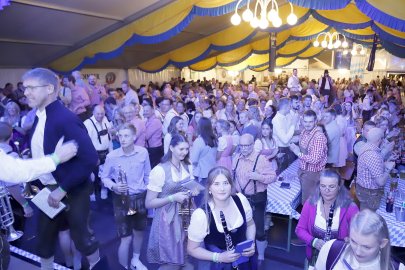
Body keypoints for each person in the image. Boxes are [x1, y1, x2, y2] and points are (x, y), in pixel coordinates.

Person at [22, 68, 103, 270]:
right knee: (44, 239)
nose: (25, 93)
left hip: (71, 189)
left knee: (83, 238)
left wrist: (62, 189)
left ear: (49, 89)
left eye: (31, 88)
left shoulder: (64, 118)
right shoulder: (40, 115)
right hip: (47, 188)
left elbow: (90, 158)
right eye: (25, 88)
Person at [101, 123, 150, 270]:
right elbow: (104, 177)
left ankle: (135, 260)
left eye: (126, 135)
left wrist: (148, 194)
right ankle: (124, 267)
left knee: (139, 232)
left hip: (140, 197)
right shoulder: (112, 156)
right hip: (122, 199)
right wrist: (114, 186)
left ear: (134, 137)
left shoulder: (143, 152)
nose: (122, 139)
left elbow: (148, 175)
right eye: (120, 136)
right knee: (125, 238)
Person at [187, 167, 257, 269]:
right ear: (209, 188)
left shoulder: (241, 200)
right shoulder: (201, 215)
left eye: (225, 183)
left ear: (231, 185)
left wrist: (251, 243)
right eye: (216, 184)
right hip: (217, 266)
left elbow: (250, 224)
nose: (222, 188)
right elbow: (192, 249)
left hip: (244, 262)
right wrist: (219, 257)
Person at [145, 134, 198, 269]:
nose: (185, 152)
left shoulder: (187, 165)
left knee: (185, 256)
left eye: (186, 149)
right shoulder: (159, 170)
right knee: (171, 262)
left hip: (186, 213)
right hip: (167, 220)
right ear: (171, 148)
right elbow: (149, 203)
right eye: (181, 149)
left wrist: (194, 190)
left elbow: (190, 185)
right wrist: (172, 198)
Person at [295, 169, 359, 266]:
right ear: (319, 186)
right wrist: (313, 241)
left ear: (339, 187)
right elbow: (299, 229)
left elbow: (359, 236)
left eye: (331, 186)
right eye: (323, 186)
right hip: (315, 257)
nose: (326, 190)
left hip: (339, 259)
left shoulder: (350, 208)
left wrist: (350, 240)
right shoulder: (311, 203)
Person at [232, 134, 277, 263]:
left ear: (252, 145)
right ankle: (243, 252)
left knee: (259, 229)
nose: (244, 149)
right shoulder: (236, 158)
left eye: (247, 146)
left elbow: (273, 177)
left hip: (257, 198)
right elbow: (233, 177)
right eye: (241, 146)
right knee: (240, 226)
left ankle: (261, 255)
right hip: (240, 197)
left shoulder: (261, 159)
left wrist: (259, 177)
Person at [314, 209, 405, 270]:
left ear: (382, 243)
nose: (358, 252)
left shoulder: (397, 268)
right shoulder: (330, 249)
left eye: (366, 247)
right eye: (353, 241)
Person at [289, 110, 328, 204]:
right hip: (303, 170)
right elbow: (302, 148)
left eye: (310, 122)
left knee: (309, 202)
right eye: (305, 121)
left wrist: (298, 153)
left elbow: (315, 160)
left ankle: (309, 217)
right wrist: (295, 147)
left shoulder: (318, 137)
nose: (307, 124)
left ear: (315, 122)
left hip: (312, 174)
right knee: (304, 197)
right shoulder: (304, 132)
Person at [355, 128, 394, 211]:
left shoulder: (365, 146)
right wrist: (388, 169)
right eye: (383, 139)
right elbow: (380, 182)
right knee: (369, 218)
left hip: (363, 190)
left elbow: (370, 167)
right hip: (370, 194)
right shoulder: (373, 155)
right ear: (379, 140)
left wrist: (385, 163)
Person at [84, 105, 112, 201]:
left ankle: (104, 190)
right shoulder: (87, 123)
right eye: (98, 114)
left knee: (105, 174)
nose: (100, 116)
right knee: (92, 177)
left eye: (102, 113)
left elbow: (110, 137)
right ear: (93, 113)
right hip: (94, 154)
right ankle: (91, 193)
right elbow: (85, 142)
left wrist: (111, 153)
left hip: (106, 153)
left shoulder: (105, 120)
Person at [272, 97, 299, 173]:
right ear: (286, 107)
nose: (290, 108)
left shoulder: (287, 116)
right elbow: (285, 140)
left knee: (289, 172)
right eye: (290, 106)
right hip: (281, 151)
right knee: (281, 174)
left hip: (288, 148)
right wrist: (293, 124)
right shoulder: (276, 120)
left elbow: (290, 134)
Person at [143, 100, 164, 168]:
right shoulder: (147, 120)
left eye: (147, 111)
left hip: (155, 149)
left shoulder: (155, 121)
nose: (145, 113)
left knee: (154, 169)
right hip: (150, 149)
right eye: (144, 111)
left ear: (152, 110)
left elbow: (146, 136)